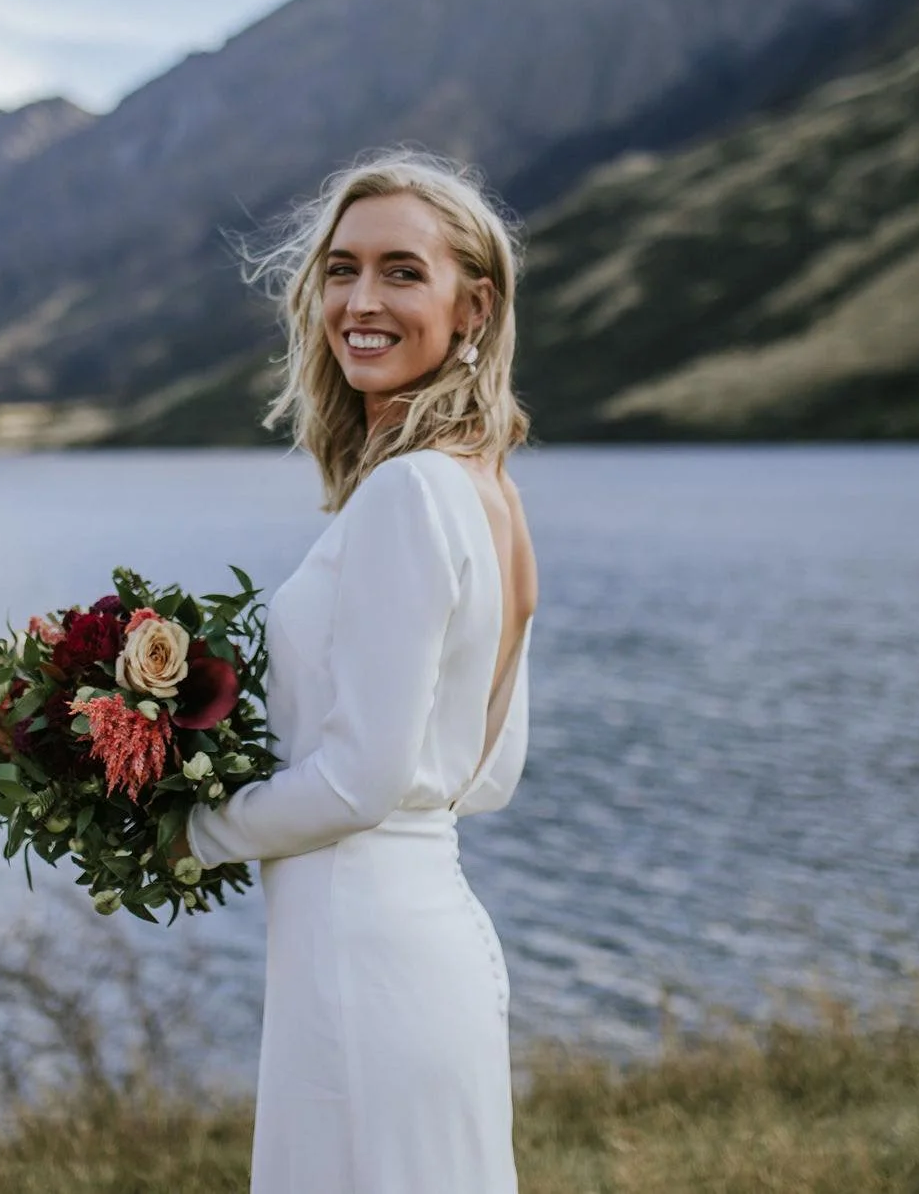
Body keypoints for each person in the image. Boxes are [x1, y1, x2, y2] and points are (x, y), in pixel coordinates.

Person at [170, 147, 537, 1192]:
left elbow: (359, 782)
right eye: (340, 269)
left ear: (472, 307)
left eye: (400, 272)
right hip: (431, 949)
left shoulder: (412, 493)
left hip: (362, 966)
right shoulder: (488, 492)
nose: (359, 300)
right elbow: (487, 772)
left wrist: (183, 833)